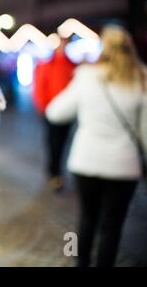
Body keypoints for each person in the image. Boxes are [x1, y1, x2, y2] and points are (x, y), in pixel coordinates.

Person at [46, 25, 147, 267]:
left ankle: (82, 263)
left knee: (88, 218)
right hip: (124, 166)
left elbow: (55, 112)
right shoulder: (141, 78)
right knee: (112, 225)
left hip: (87, 162)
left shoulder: (87, 76)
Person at [33, 37, 76, 191]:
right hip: (50, 111)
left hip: (67, 112)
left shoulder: (72, 65)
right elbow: (39, 89)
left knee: (63, 141)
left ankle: (57, 171)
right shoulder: (46, 65)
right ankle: (53, 171)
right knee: (53, 142)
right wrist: (44, 108)